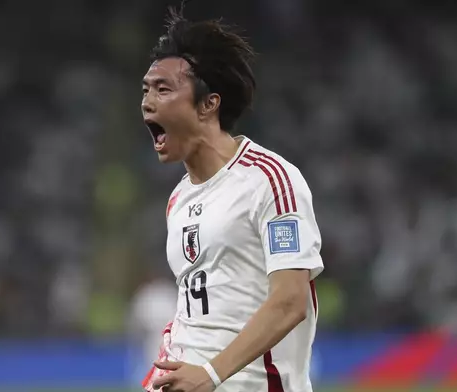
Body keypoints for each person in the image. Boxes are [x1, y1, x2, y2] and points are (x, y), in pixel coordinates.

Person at [140, 5, 324, 392]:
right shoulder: (179, 200)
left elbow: (291, 302)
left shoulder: (269, 181)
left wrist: (209, 373)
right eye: (145, 89)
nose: (147, 101)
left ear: (209, 104)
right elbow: (195, 309)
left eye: (163, 89)